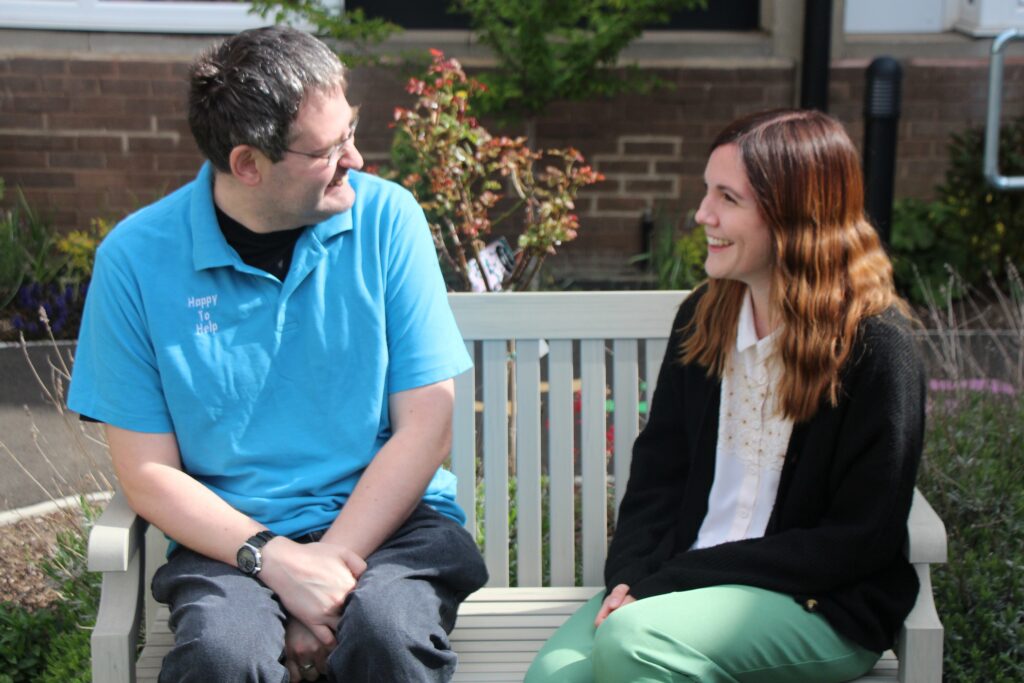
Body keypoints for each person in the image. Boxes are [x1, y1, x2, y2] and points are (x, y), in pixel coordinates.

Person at [68, 25, 487, 683]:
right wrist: (278, 562)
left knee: (387, 631)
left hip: (395, 527)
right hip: (230, 542)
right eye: (329, 148)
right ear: (247, 164)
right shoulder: (134, 259)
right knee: (219, 656)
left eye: (350, 129)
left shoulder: (389, 219)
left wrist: (325, 568)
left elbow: (427, 423)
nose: (357, 159)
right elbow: (147, 472)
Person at [525, 109, 926, 683]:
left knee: (635, 644)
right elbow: (657, 478)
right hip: (674, 587)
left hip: (816, 603)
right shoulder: (703, 319)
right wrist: (632, 582)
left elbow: (858, 539)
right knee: (553, 679)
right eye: (705, 192)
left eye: (727, 198)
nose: (701, 214)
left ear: (794, 216)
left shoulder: (876, 350)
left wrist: (673, 585)